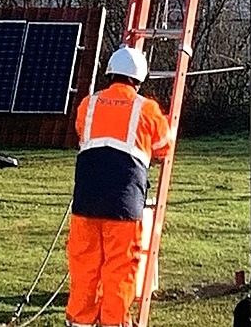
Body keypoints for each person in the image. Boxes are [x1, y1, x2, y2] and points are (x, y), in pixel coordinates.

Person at [67, 45, 173, 327]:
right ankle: (114, 322)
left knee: (84, 265)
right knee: (120, 268)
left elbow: (81, 132)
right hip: (124, 205)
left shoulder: (88, 104)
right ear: (139, 79)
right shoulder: (147, 109)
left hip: (86, 201)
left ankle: (80, 321)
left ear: (111, 72)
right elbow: (164, 147)